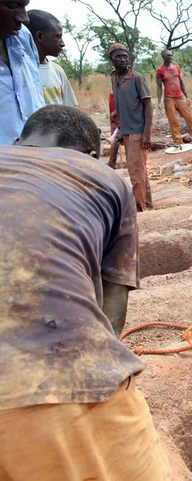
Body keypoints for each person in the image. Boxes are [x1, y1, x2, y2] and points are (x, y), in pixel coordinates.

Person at [0, 105, 171, 479]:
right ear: (93, 156)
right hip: (52, 388)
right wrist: (98, 365)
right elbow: (113, 302)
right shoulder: (101, 177)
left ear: (18, 142)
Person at [110, 42, 154, 212]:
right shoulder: (114, 78)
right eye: (118, 57)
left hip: (138, 132)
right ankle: (147, 206)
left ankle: (140, 210)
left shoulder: (136, 77)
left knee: (136, 174)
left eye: (125, 56)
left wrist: (147, 133)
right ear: (112, 60)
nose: (122, 59)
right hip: (127, 131)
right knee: (139, 172)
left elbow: (148, 105)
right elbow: (122, 102)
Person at [0, 0, 44, 145]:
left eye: (24, 6)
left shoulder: (23, 36)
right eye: (12, 6)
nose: (25, 19)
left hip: (33, 157)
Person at [27, 9, 77, 107]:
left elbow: (69, 109)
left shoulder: (57, 71)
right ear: (40, 36)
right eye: (57, 37)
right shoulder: (19, 70)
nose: (62, 44)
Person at [156, 49, 192, 145]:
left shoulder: (176, 67)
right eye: (168, 56)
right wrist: (159, 101)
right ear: (163, 57)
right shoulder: (160, 70)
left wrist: (187, 96)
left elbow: (181, 82)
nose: (170, 57)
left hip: (180, 98)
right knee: (173, 121)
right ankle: (178, 143)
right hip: (169, 99)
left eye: (171, 55)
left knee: (190, 118)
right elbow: (158, 86)